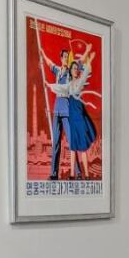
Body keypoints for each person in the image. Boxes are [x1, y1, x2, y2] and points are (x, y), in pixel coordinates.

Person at [43, 40, 99, 180]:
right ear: (61, 58)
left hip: (67, 109)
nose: (66, 59)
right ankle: (54, 174)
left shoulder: (70, 72)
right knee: (56, 142)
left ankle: (78, 173)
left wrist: (87, 51)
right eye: (64, 57)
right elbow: (49, 63)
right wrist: (43, 53)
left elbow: (80, 62)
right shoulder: (58, 70)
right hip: (57, 109)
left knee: (72, 141)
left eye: (67, 57)